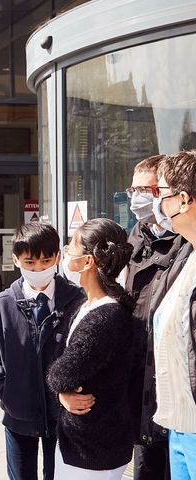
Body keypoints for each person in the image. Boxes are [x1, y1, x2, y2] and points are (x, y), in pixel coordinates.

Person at [0, 222, 86, 480]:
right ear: (15, 259)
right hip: (18, 417)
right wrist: (6, 390)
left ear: (58, 257)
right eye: (29, 263)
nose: (38, 269)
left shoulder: (77, 300)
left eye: (45, 261)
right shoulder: (3, 304)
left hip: (64, 418)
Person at [48, 218, 136, 479]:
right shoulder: (85, 305)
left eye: (71, 247)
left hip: (95, 447)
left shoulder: (106, 316)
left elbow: (60, 374)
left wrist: (60, 387)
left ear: (88, 261)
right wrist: (61, 395)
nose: (66, 253)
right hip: (84, 442)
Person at [125, 154, 192, 480]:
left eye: (153, 190)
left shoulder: (185, 248)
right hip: (158, 399)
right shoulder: (133, 240)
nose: (143, 198)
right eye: (133, 189)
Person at [149, 150, 196, 479]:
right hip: (180, 426)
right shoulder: (187, 256)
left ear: (183, 199)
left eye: (159, 192)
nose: (156, 203)